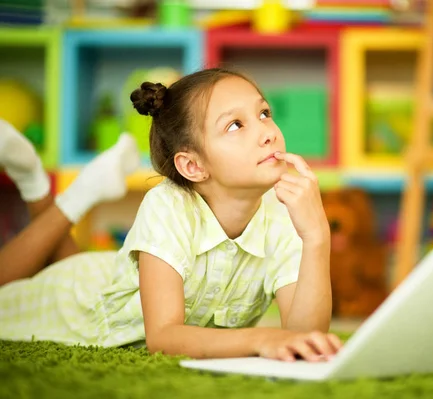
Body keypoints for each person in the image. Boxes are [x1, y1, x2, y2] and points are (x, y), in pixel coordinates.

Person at [0, 67, 342, 362]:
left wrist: (316, 237)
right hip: (75, 306)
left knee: (59, 262)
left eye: (264, 113)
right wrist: (261, 339)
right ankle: (40, 183)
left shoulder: (284, 212)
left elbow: (304, 337)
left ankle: (48, 184)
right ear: (193, 165)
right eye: (236, 125)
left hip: (108, 277)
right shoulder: (166, 205)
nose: (268, 132)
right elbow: (163, 337)